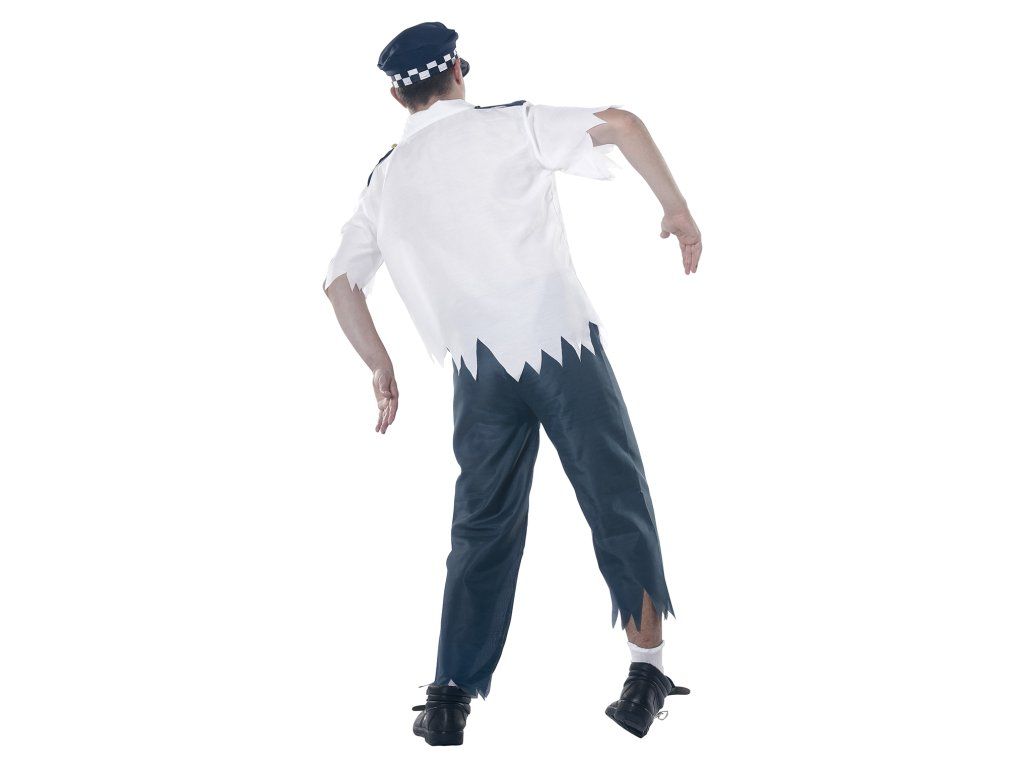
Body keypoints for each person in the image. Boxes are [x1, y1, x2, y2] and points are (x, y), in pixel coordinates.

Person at [323, 21, 702, 746]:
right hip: (560, 347)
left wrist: (380, 365)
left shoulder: (385, 179)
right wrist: (676, 209)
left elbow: (340, 284)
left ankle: (449, 696)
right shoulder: (511, 125)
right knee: (615, 497)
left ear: (398, 97)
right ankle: (646, 672)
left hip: (477, 370)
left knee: (480, 526)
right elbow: (623, 123)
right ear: (459, 70)